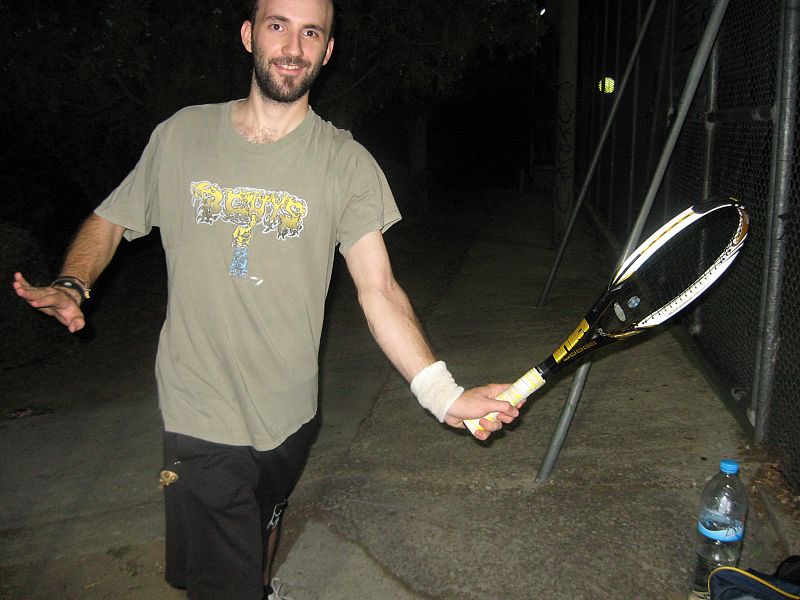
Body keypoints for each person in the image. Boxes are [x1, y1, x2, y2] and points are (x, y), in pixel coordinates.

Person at [13, 0, 519, 598]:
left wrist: (442, 393)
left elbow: (378, 288)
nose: (293, 46)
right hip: (200, 409)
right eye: (278, 26)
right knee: (222, 576)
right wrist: (74, 281)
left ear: (327, 51)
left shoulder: (345, 163)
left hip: (291, 412)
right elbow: (112, 218)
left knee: (263, 519)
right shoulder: (182, 135)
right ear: (250, 34)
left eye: (311, 32)